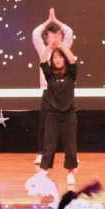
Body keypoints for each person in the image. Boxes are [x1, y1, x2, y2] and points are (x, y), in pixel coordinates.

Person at [32, 8, 74, 165]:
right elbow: (35, 34)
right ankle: (40, 153)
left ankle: (70, 155)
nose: (55, 38)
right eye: (52, 35)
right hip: (48, 91)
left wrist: (56, 21)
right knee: (45, 124)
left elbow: (69, 32)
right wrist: (48, 22)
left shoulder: (65, 49)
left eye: (58, 35)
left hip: (64, 92)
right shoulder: (44, 50)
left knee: (67, 126)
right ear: (47, 37)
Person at [39, 40, 79, 184]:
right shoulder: (50, 74)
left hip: (69, 114)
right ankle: (43, 172)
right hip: (52, 114)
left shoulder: (71, 74)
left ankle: (70, 172)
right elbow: (43, 60)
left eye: (60, 57)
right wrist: (49, 46)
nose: (58, 60)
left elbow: (73, 60)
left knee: (70, 145)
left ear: (64, 59)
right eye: (55, 57)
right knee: (49, 144)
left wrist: (62, 46)